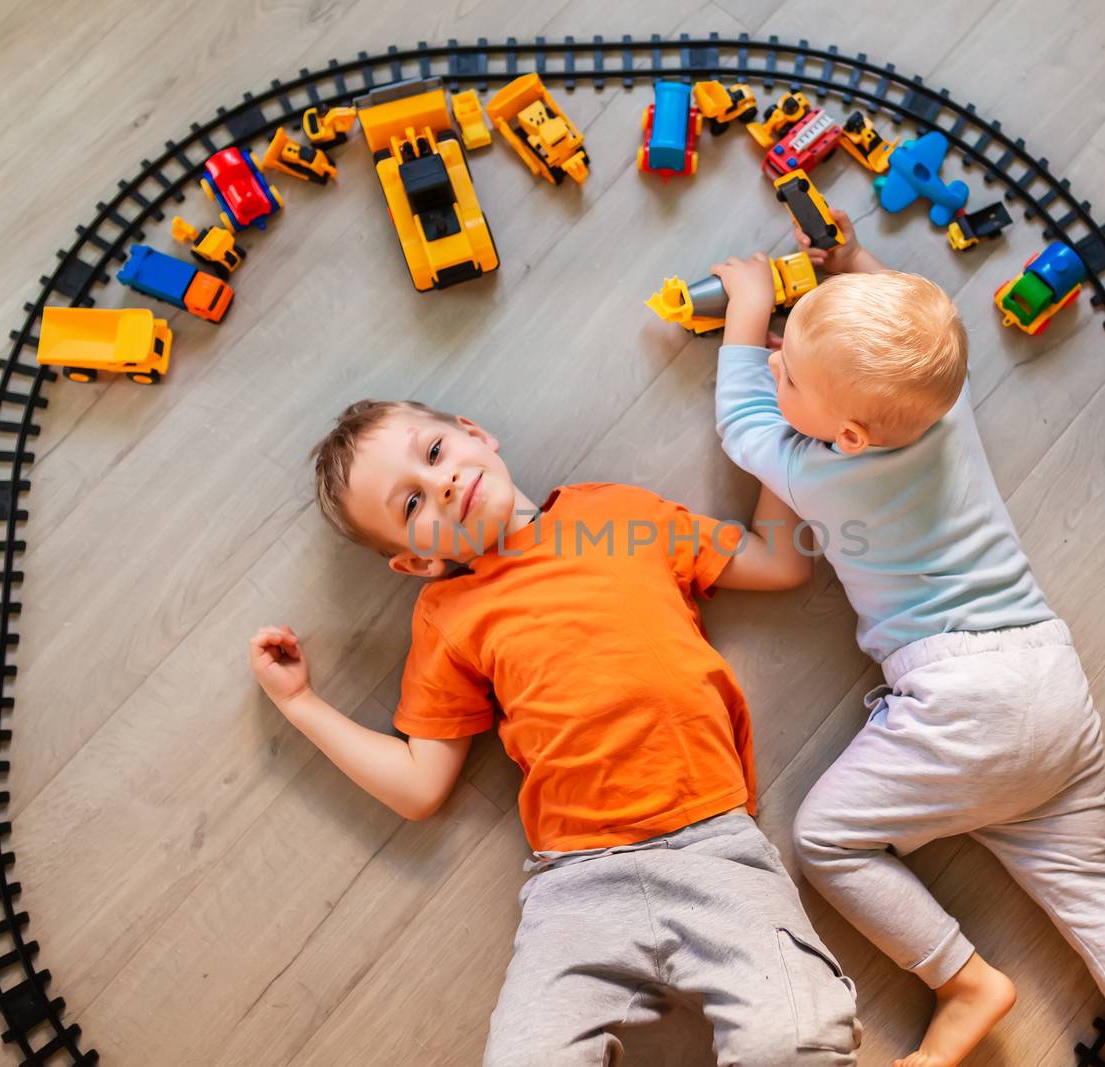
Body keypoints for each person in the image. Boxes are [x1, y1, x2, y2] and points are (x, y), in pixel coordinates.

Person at [705, 210, 1105, 1067]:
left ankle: (965, 977)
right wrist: (852, 262)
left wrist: (749, 313)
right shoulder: (946, 400)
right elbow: (921, 338)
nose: (776, 363)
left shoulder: (823, 469)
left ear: (847, 437)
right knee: (1091, 889)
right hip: (1046, 683)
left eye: (789, 374)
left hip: (963, 695)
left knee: (825, 840)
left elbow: (743, 427)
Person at [248, 398, 861, 1065]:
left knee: (796, 1045)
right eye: (412, 506)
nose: (444, 483)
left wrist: (780, 433)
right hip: (578, 882)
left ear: (477, 432)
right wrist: (300, 702)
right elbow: (419, 786)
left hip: (715, 849)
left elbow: (778, 561)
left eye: (434, 453)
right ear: (418, 562)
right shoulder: (449, 615)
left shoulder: (617, 513)